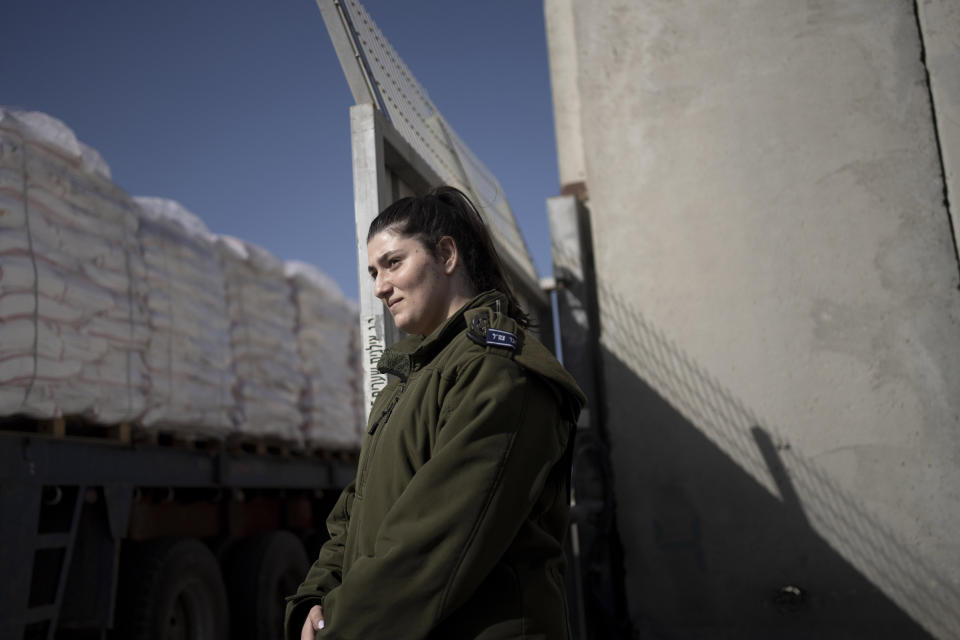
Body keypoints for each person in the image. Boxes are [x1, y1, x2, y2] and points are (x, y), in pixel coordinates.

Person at [285, 186, 585, 639]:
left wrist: (341, 626)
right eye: (372, 272)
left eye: (393, 263)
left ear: (446, 255)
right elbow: (355, 511)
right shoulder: (409, 379)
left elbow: (434, 541)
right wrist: (316, 596)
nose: (379, 287)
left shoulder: (498, 370)